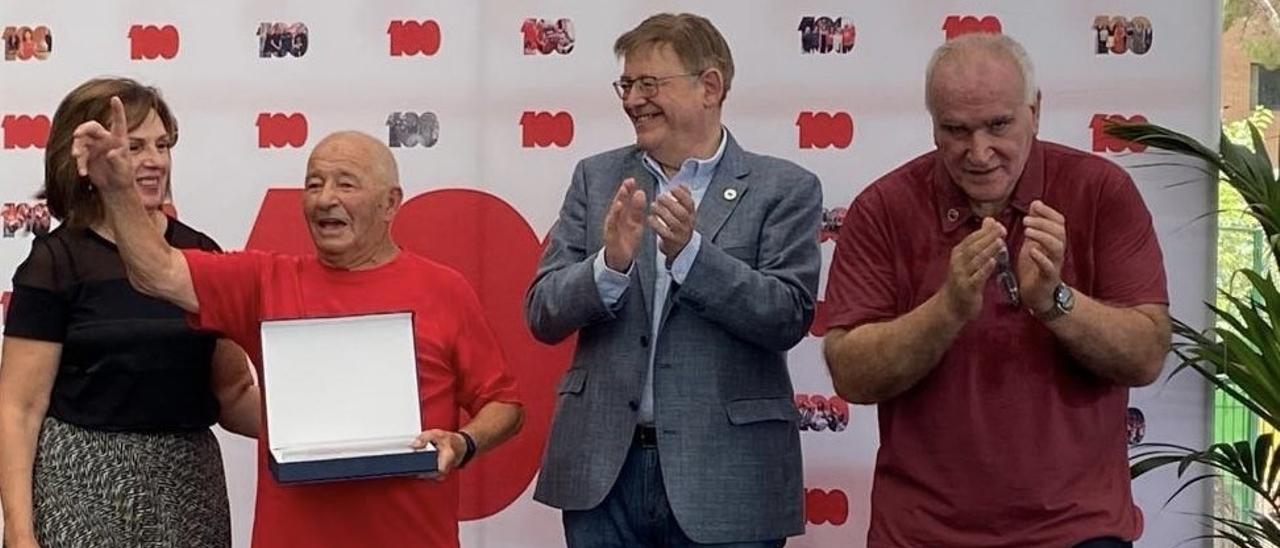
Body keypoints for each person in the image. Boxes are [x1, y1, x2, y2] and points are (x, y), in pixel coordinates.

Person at [72, 105, 524, 547]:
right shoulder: (264, 282)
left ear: (390, 204)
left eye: (345, 183)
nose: (325, 198)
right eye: (313, 184)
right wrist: (117, 191)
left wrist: (463, 443)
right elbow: (157, 271)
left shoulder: (443, 289)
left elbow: (504, 403)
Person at [822, 33, 1171, 548]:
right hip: (920, 534)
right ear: (933, 125)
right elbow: (850, 373)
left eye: (999, 125)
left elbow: (1146, 355)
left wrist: (1056, 303)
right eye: (956, 130)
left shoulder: (1101, 191)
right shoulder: (882, 207)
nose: (979, 152)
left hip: (1077, 531)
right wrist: (947, 309)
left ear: (1035, 111)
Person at [526, 12, 821, 548]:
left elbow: (788, 315)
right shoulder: (597, 178)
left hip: (729, 482)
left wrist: (693, 257)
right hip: (603, 478)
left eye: (649, 83)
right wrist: (608, 267)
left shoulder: (785, 188)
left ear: (709, 86)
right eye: (627, 84)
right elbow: (543, 312)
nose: (633, 99)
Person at [0, 77, 259, 548]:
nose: (155, 160)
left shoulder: (199, 255)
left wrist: (332, 432)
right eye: (134, 146)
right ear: (84, 157)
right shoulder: (56, 262)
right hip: (83, 485)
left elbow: (233, 390)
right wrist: (18, 531)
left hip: (189, 489)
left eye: (162, 145)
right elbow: (19, 408)